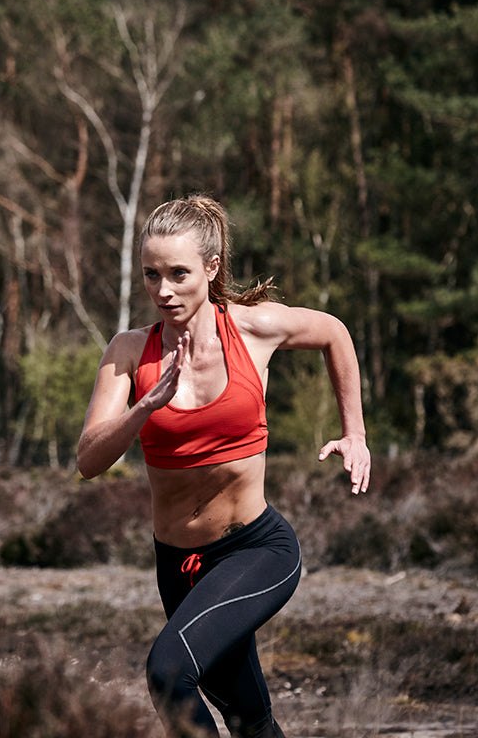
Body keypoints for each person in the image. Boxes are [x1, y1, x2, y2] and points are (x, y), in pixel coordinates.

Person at [76, 194, 371, 738]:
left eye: (178, 273)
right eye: (151, 274)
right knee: (249, 718)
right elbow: (89, 460)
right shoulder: (128, 352)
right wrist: (143, 407)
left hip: (255, 549)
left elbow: (334, 332)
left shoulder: (254, 331)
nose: (163, 290)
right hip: (178, 565)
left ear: (211, 269)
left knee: (168, 674)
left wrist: (355, 432)